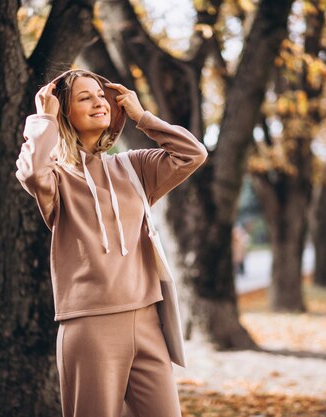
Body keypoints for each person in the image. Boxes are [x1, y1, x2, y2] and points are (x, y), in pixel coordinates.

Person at [15, 68, 208, 417]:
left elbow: (192, 154)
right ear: (64, 112)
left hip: (147, 317)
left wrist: (142, 117)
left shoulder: (134, 167)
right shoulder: (56, 178)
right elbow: (30, 172)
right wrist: (43, 118)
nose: (98, 102)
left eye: (101, 96)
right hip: (90, 326)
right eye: (84, 97)